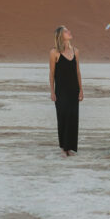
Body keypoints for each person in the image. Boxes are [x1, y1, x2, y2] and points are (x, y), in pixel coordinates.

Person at [49, 25, 83, 156]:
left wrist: (81, 90)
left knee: (73, 118)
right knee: (63, 117)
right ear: (60, 36)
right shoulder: (54, 52)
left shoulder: (76, 51)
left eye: (69, 30)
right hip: (61, 91)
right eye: (66, 31)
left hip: (74, 90)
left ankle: (70, 148)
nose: (69, 32)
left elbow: (78, 72)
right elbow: (51, 73)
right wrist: (52, 92)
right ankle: (64, 148)